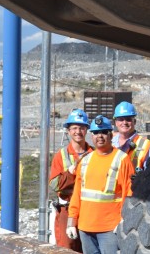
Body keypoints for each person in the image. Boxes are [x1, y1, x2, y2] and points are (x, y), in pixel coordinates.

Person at [67, 115, 135, 254]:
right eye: (96, 132)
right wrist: (71, 222)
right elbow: (77, 194)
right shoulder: (86, 160)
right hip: (85, 228)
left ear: (111, 134)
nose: (100, 136)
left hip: (109, 228)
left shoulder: (122, 159)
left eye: (104, 132)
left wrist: (124, 221)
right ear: (91, 136)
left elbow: (129, 193)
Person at [48, 108, 93, 252]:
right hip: (67, 210)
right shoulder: (61, 156)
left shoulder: (95, 154)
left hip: (89, 209)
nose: (78, 131)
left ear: (87, 130)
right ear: (68, 131)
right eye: (74, 128)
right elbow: (54, 185)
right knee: (67, 248)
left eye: (81, 128)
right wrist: (71, 173)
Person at [112, 101, 150, 171]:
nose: (124, 122)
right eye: (121, 119)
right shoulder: (110, 144)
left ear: (134, 122)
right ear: (116, 123)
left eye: (128, 119)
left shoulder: (146, 146)